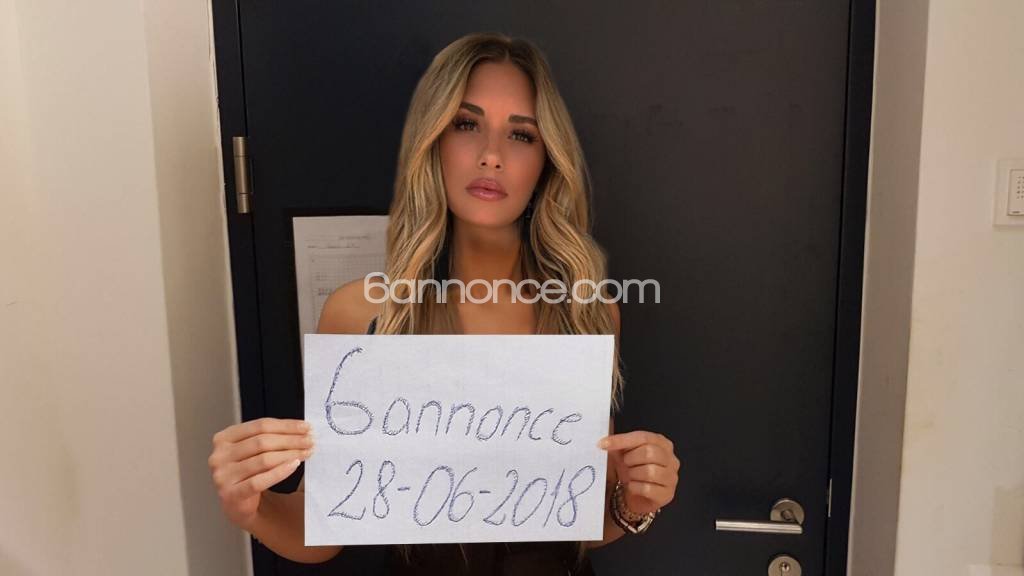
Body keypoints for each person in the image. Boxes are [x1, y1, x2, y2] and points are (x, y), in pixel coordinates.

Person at [208, 32, 680, 575]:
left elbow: (580, 520)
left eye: (521, 135)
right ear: (432, 141)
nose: (491, 155)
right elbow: (324, 530)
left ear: (547, 162)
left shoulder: (585, 312)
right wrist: (253, 507)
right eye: (465, 124)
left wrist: (635, 501)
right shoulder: (362, 314)